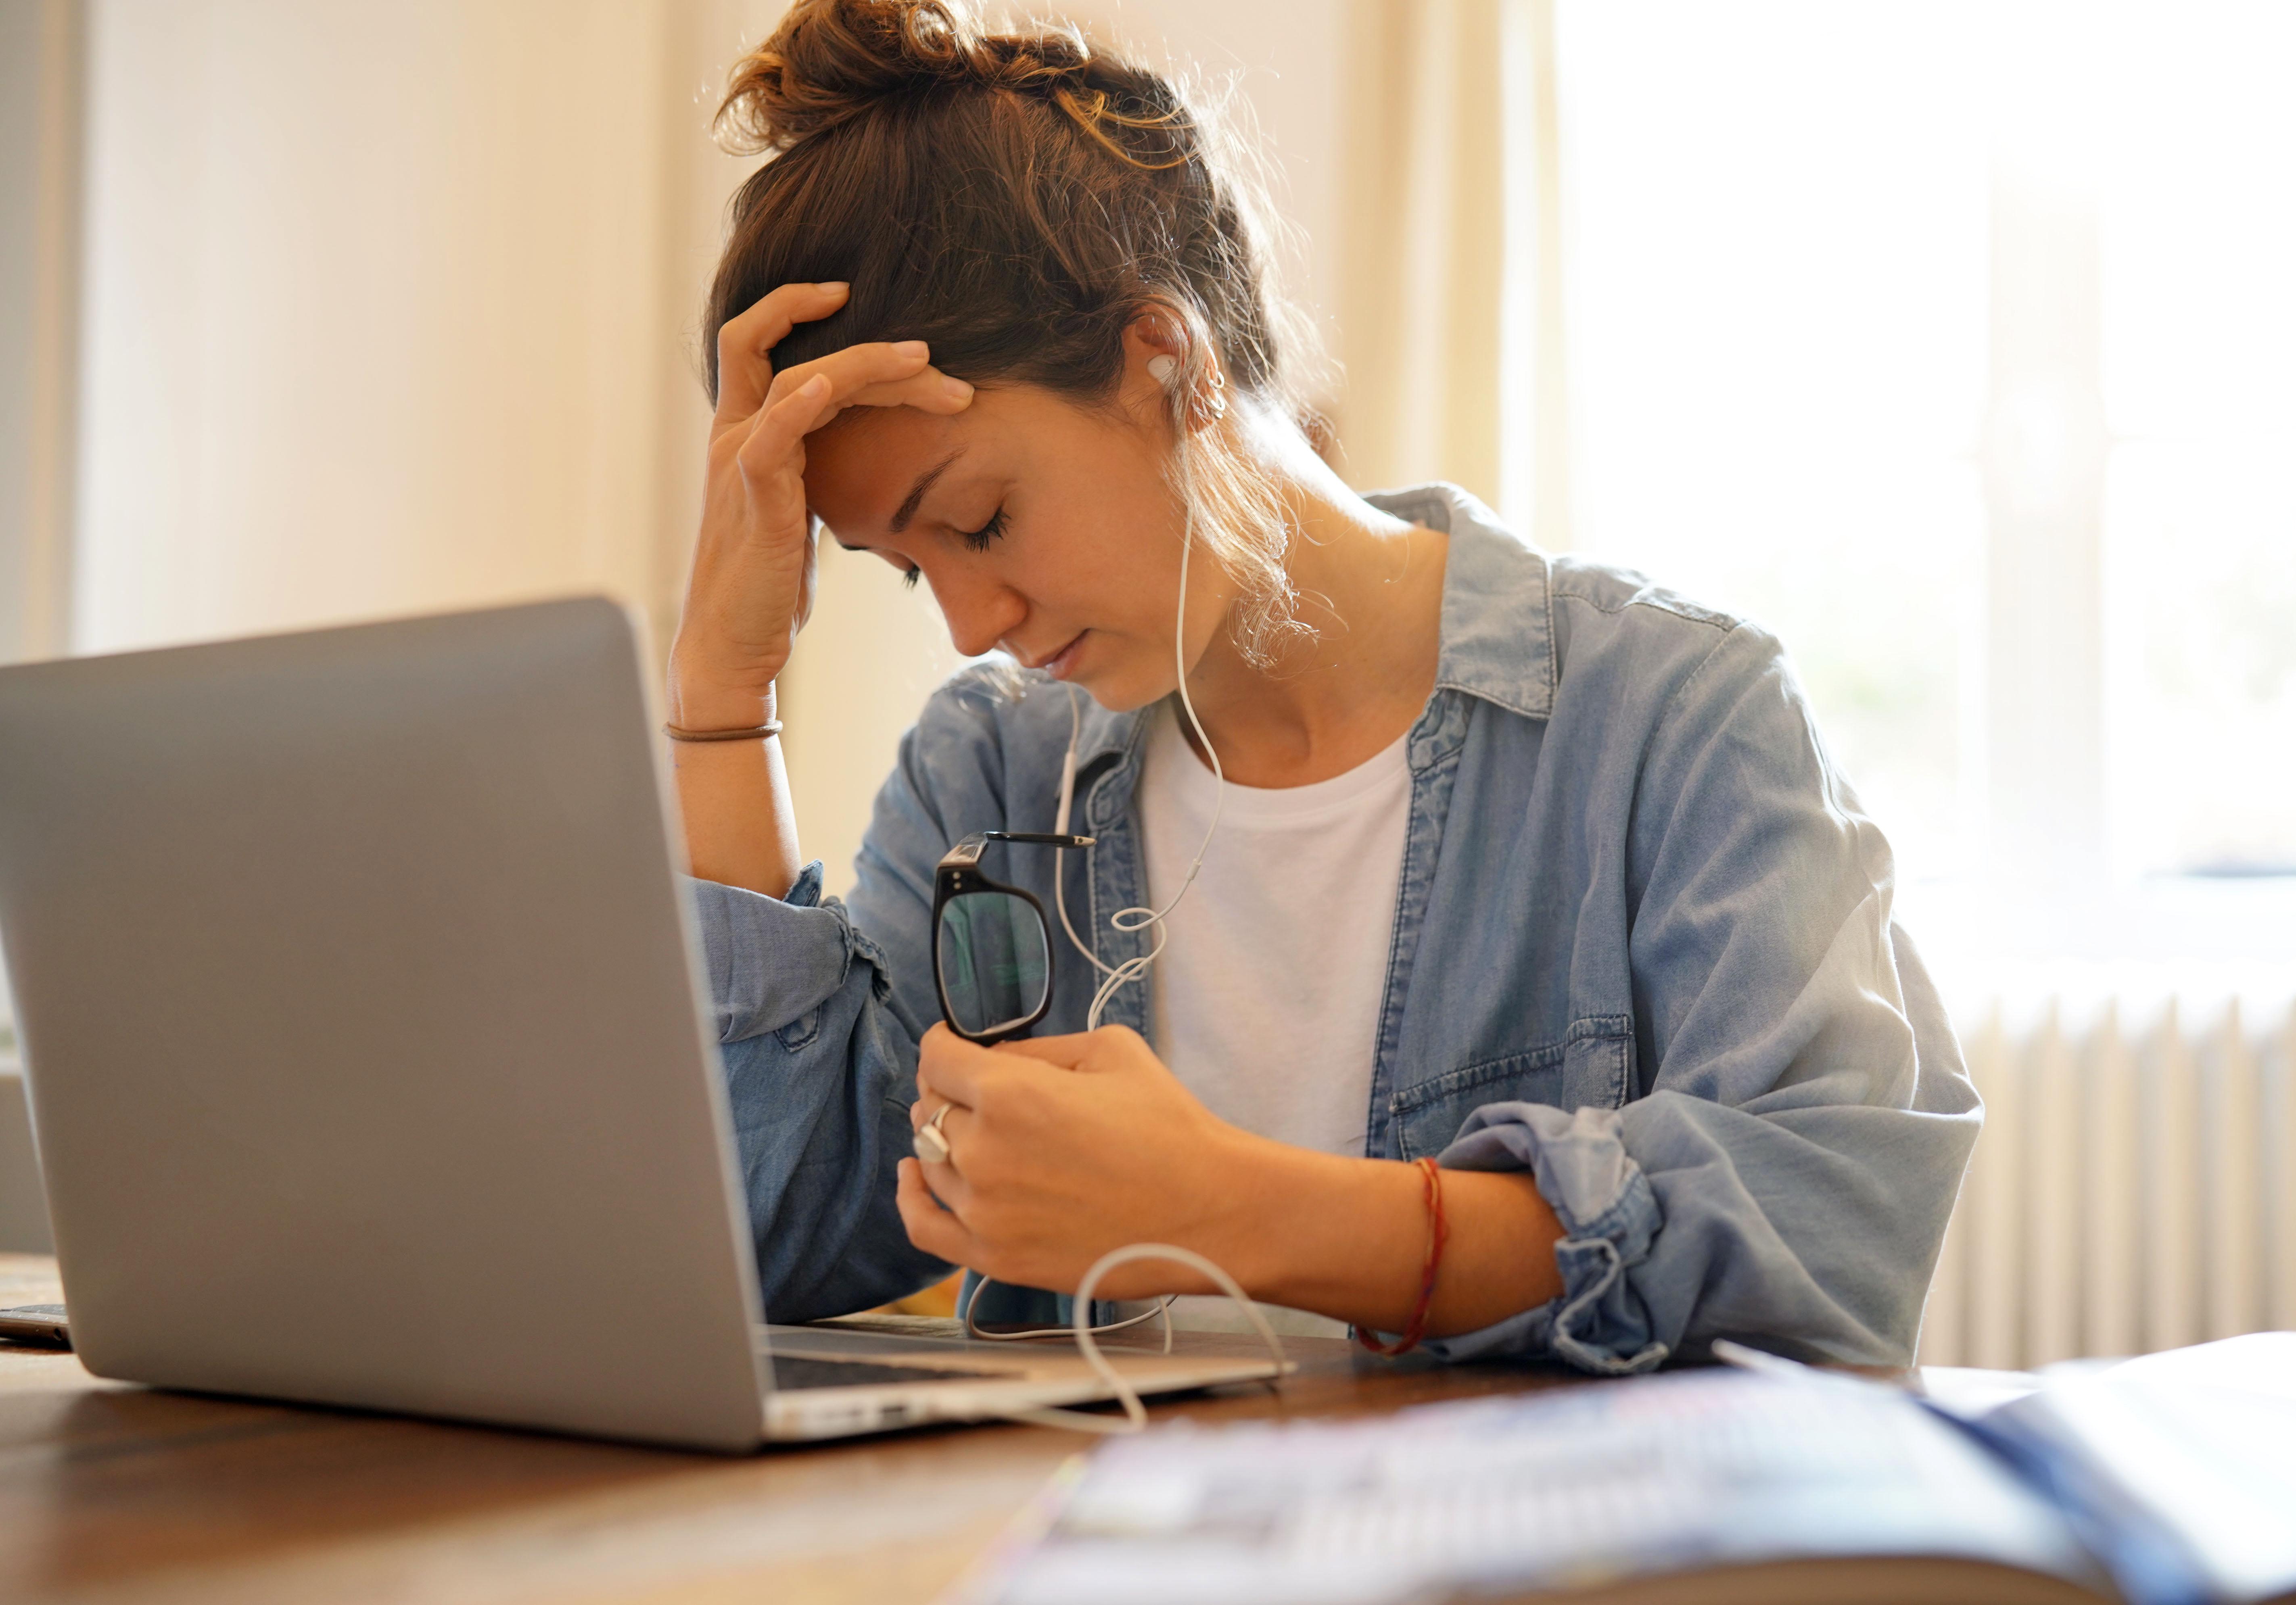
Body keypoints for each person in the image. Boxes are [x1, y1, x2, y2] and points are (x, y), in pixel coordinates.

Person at [668, 0, 1978, 1370]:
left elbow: (1832, 1235)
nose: (968, 623)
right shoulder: (991, 764)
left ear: (1164, 360)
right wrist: (721, 687)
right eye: (903, 567)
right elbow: (775, 1231)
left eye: (982, 521)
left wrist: (1230, 1206)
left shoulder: (1671, 717)